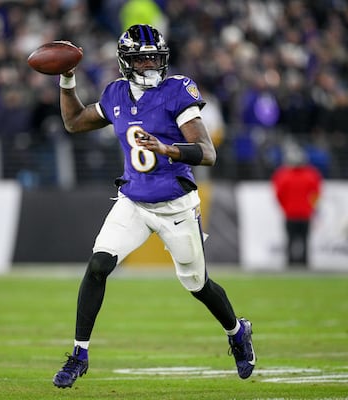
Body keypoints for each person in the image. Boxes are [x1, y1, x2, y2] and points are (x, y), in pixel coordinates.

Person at [51, 24, 255, 389]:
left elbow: (207, 152)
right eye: (141, 58)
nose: (149, 64)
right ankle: (79, 354)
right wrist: (67, 79)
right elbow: (74, 121)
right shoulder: (115, 93)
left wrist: (168, 149)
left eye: (154, 57)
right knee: (99, 264)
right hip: (133, 200)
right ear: (125, 62)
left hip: (175, 205)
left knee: (197, 284)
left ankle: (237, 331)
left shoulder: (176, 91)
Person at [271, 143, 322, 267]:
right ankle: (304, 264)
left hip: (290, 214)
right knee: (304, 240)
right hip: (305, 214)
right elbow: (317, 193)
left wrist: (285, 208)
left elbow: (278, 194)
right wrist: (311, 208)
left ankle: (290, 264)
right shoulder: (312, 175)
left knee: (290, 240)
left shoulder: (283, 175)